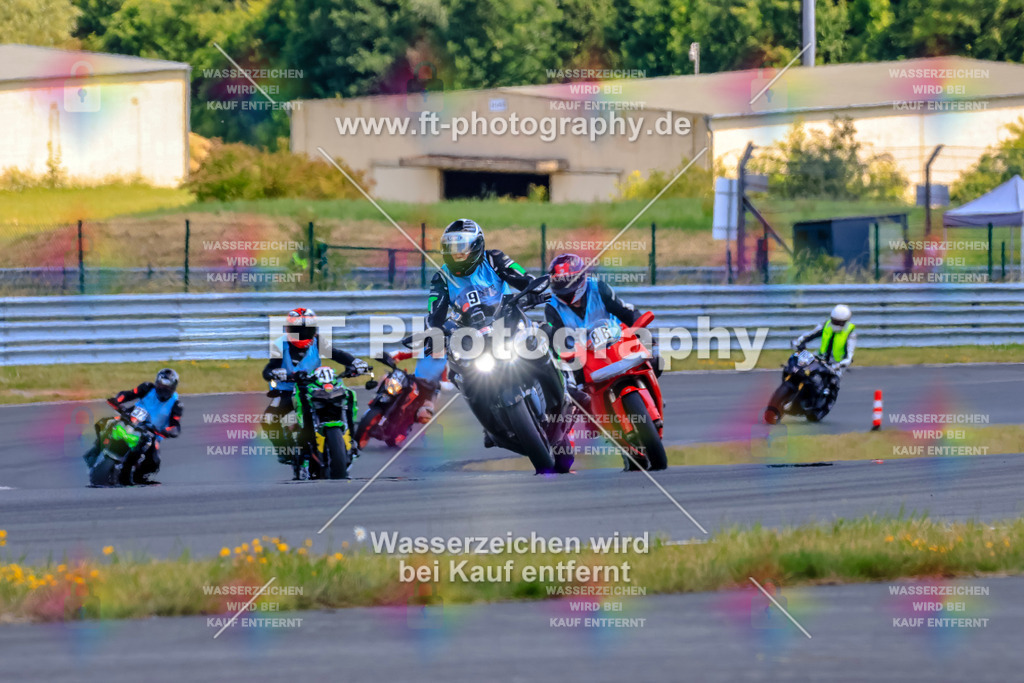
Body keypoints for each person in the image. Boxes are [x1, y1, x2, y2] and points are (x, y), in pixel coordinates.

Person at [419, 218, 550, 442]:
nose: (456, 254)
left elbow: (521, 276)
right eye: (451, 248)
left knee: (540, 338)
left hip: (508, 319)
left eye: (461, 248)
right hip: (471, 335)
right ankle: (492, 426)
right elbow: (435, 312)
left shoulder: (494, 258)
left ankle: (565, 391)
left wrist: (533, 288)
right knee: (459, 374)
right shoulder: (441, 277)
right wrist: (434, 332)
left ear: (476, 245)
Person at [261, 308, 370, 471]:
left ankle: (350, 440)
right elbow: (268, 370)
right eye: (298, 329)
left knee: (346, 395)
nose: (303, 333)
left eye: (307, 329)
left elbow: (338, 354)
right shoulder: (280, 345)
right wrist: (282, 374)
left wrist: (355, 363)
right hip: (287, 390)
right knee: (268, 420)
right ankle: (284, 450)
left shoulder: (317, 342)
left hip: (314, 387)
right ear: (288, 329)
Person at [544, 252, 661, 383]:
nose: (564, 288)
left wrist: (649, 340)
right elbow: (558, 343)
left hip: (615, 344)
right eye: (559, 282)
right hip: (583, 361)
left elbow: (626, 312)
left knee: (656, 361)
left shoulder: (598, 287)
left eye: (567, 281)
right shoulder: (552, 307)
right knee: (572, 392)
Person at [82, 368, 182, 484]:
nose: (163, 388)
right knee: (105, 422)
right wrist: (118, 401)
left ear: (173, 387)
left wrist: (167, 431)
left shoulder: (176, 404)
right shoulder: (147, 388)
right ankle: (95, 451)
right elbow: (129, 394)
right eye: (161, 385)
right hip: (132, 418)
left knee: (154, 458)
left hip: (152, 432)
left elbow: (175, 426)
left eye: (167, 386)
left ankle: (139, 475)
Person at [792, 304, 857, 373]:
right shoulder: (826, 325)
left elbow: (850, 353)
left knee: (831, 381)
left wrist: (843, 363)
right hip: (819, 358)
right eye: (835, 321)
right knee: (798, 369)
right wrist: (799, 341)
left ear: (846, 322)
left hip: (835, 366)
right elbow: (810, 334)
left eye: (840, 322)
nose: (836, 324)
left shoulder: (850, 334)